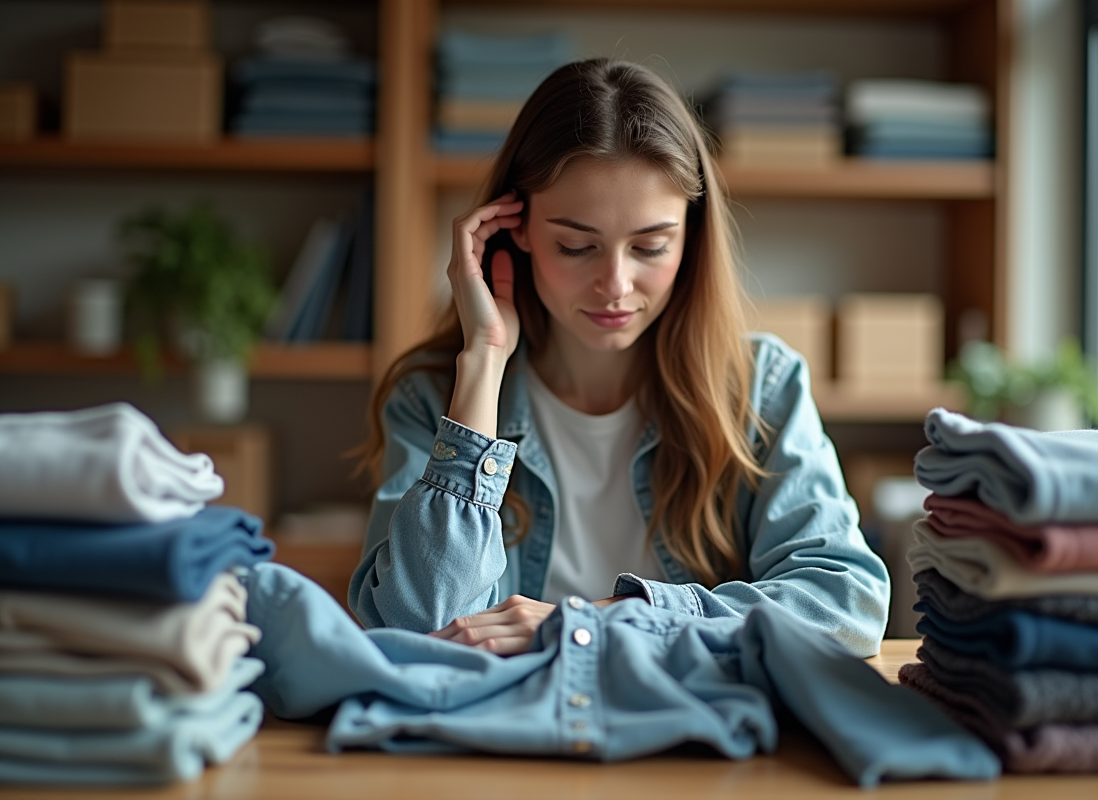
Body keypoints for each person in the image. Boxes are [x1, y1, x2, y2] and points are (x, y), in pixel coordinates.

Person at [350, 58, 890, 657]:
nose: (615, 284)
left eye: (650, 246)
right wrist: (482, 363)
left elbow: (845, 602)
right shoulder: (434, 398)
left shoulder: (762, 386)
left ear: (691, 237)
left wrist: (605, 619)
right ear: (516, 226)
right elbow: (412, 632)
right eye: (577, 246)